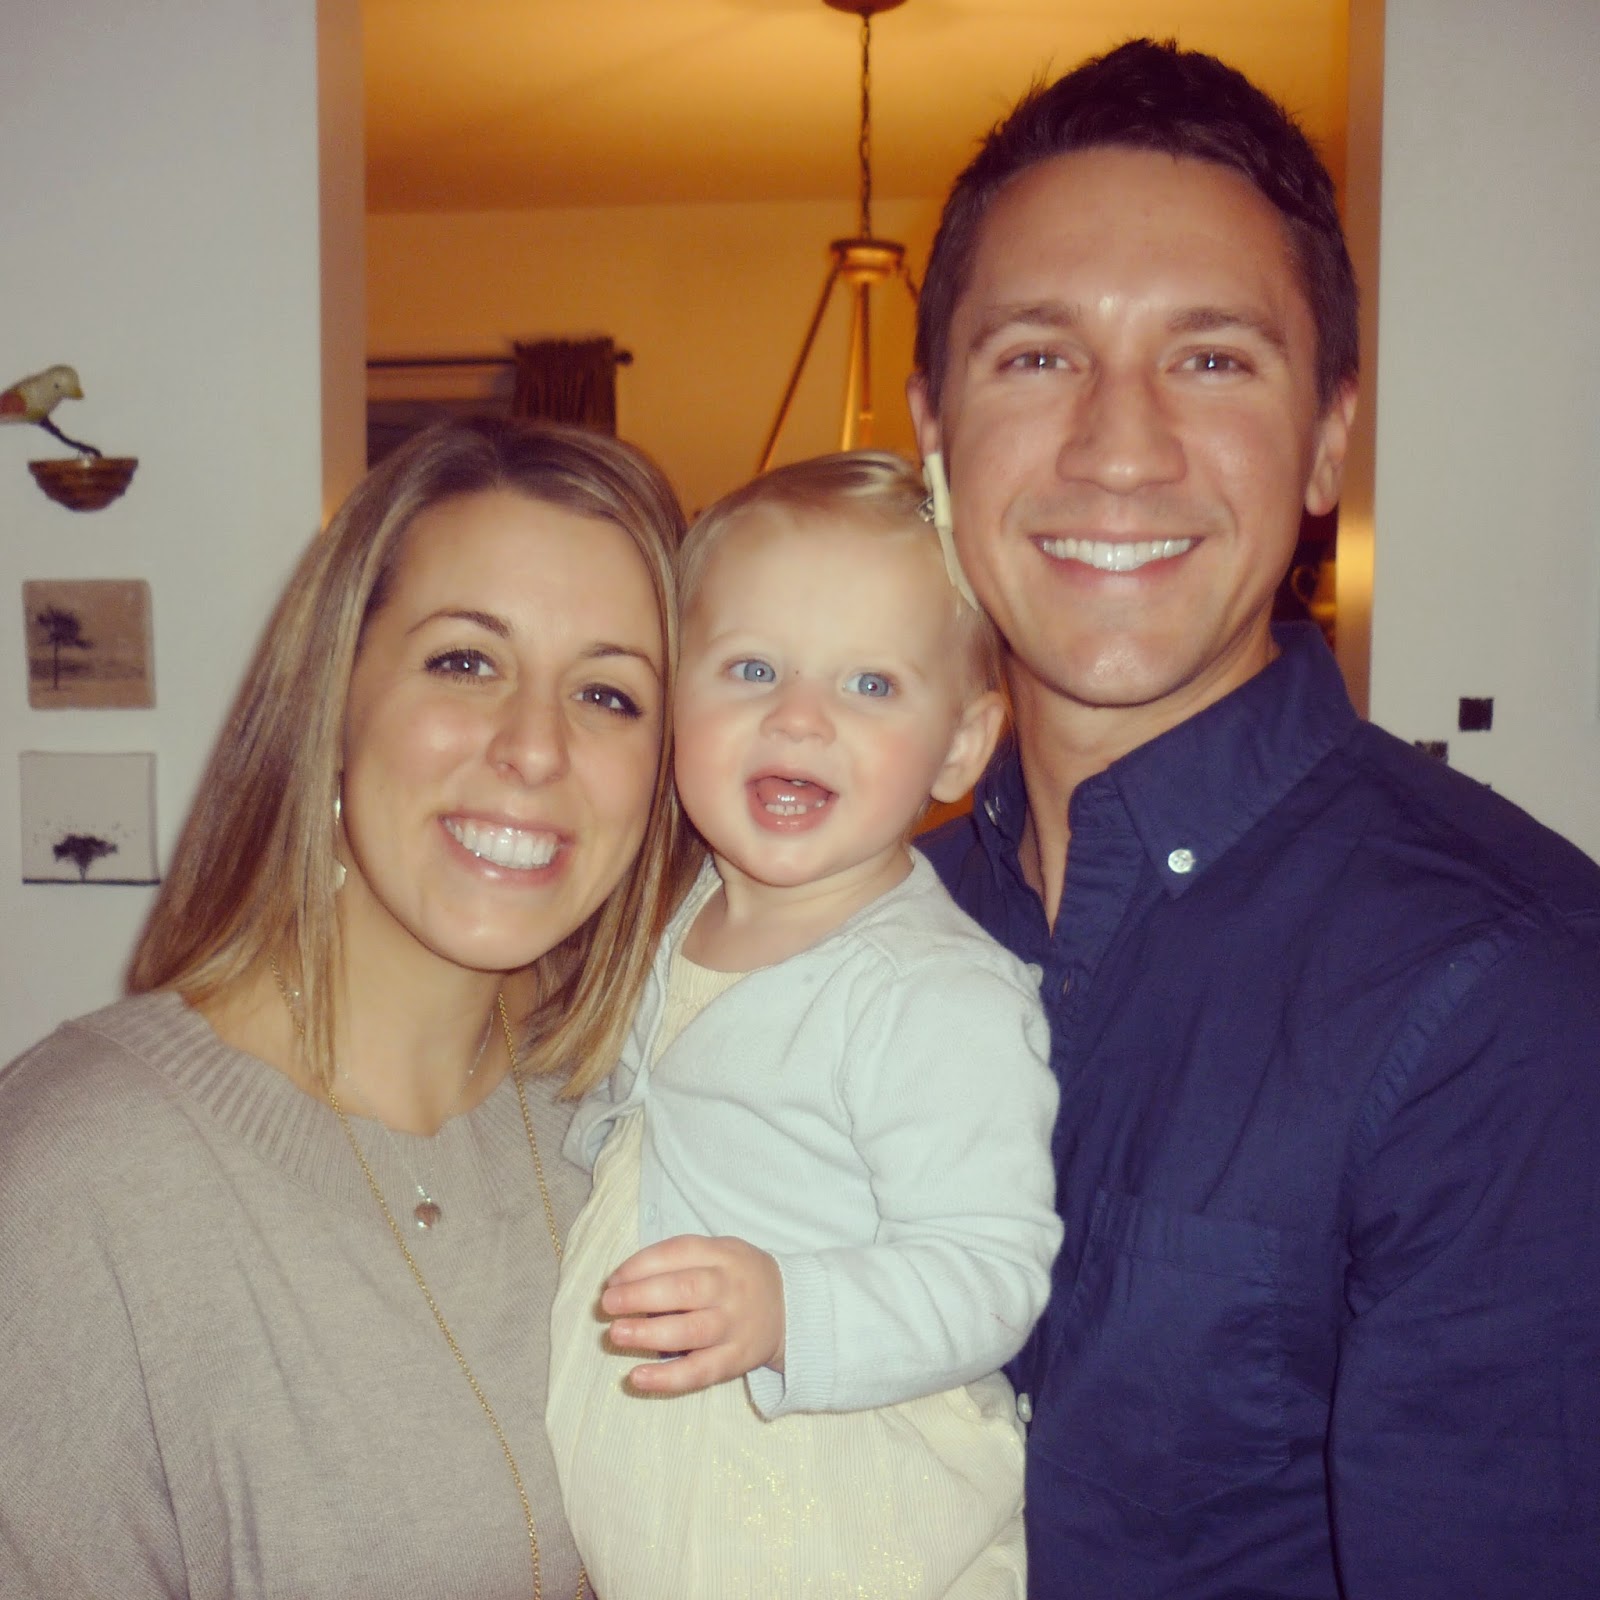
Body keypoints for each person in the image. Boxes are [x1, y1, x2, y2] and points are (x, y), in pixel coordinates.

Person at [906, 36, 1600, 1600]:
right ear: (933, 433)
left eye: (1213, 359)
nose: (1118, 447)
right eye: (1037, 356)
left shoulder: (1514, 997)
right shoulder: (861, 918)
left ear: (1331, 439)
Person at [0, 417, 698, 1598]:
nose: (535, 747)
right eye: (465, 661)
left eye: (608, 693)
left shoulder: (645, 1103)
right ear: (332, 699)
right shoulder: (79, 1175)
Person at [545, 452, 1062, 1598]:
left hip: (851, 1527)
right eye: (751, 668)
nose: (798, 715)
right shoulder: (663, 914)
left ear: (960, 745)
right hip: (671, 1525)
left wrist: (792, 1309)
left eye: (869, 683)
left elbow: (991, 1271)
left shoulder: (933, 992)